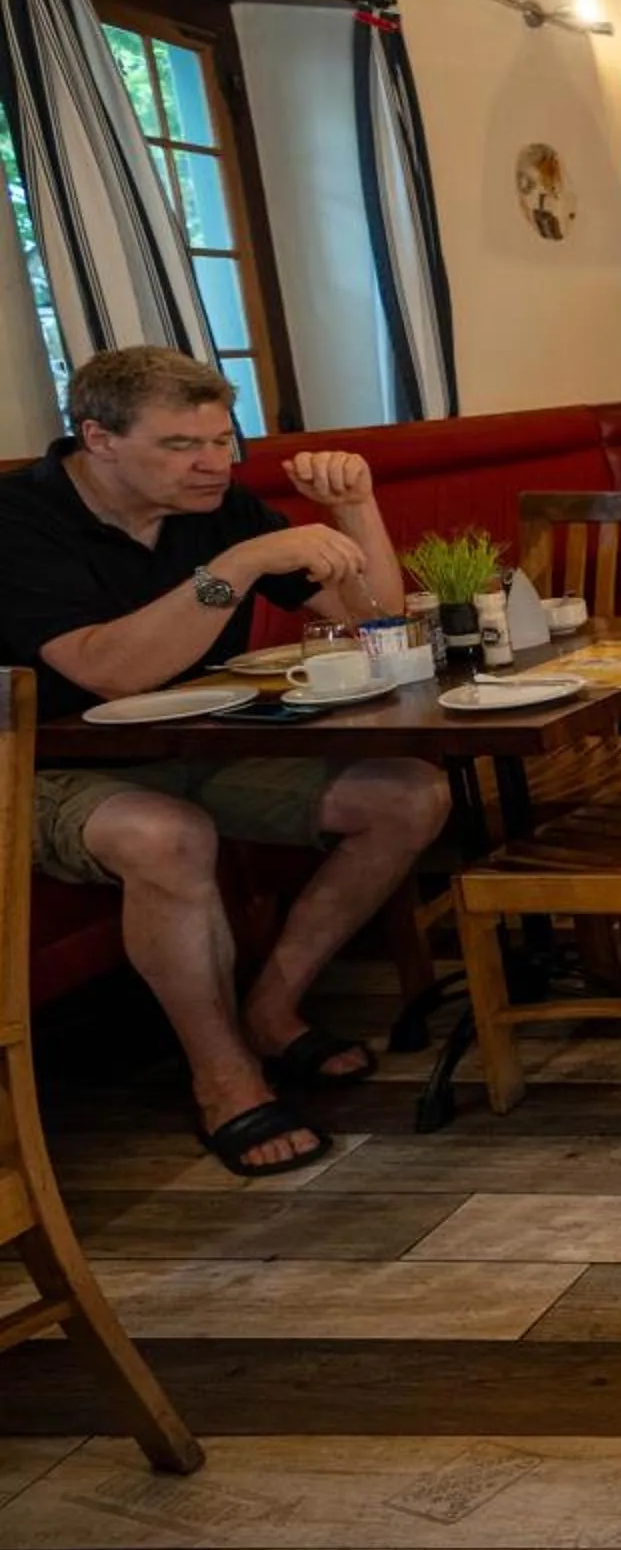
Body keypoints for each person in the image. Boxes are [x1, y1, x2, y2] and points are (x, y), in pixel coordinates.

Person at [0, 348, 450, 1175]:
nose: (214, 462)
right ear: (98, 439)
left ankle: (272, 1008)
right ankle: (223, 1077)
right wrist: (235, 568)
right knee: (165, 835)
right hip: (35, 768)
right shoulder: (18, 523)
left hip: (193, 743)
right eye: (181, 444)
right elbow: (107, 669)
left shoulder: (218, 504)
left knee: (409, 796)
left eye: (222, 439)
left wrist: (357, 511)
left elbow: (381, 626)